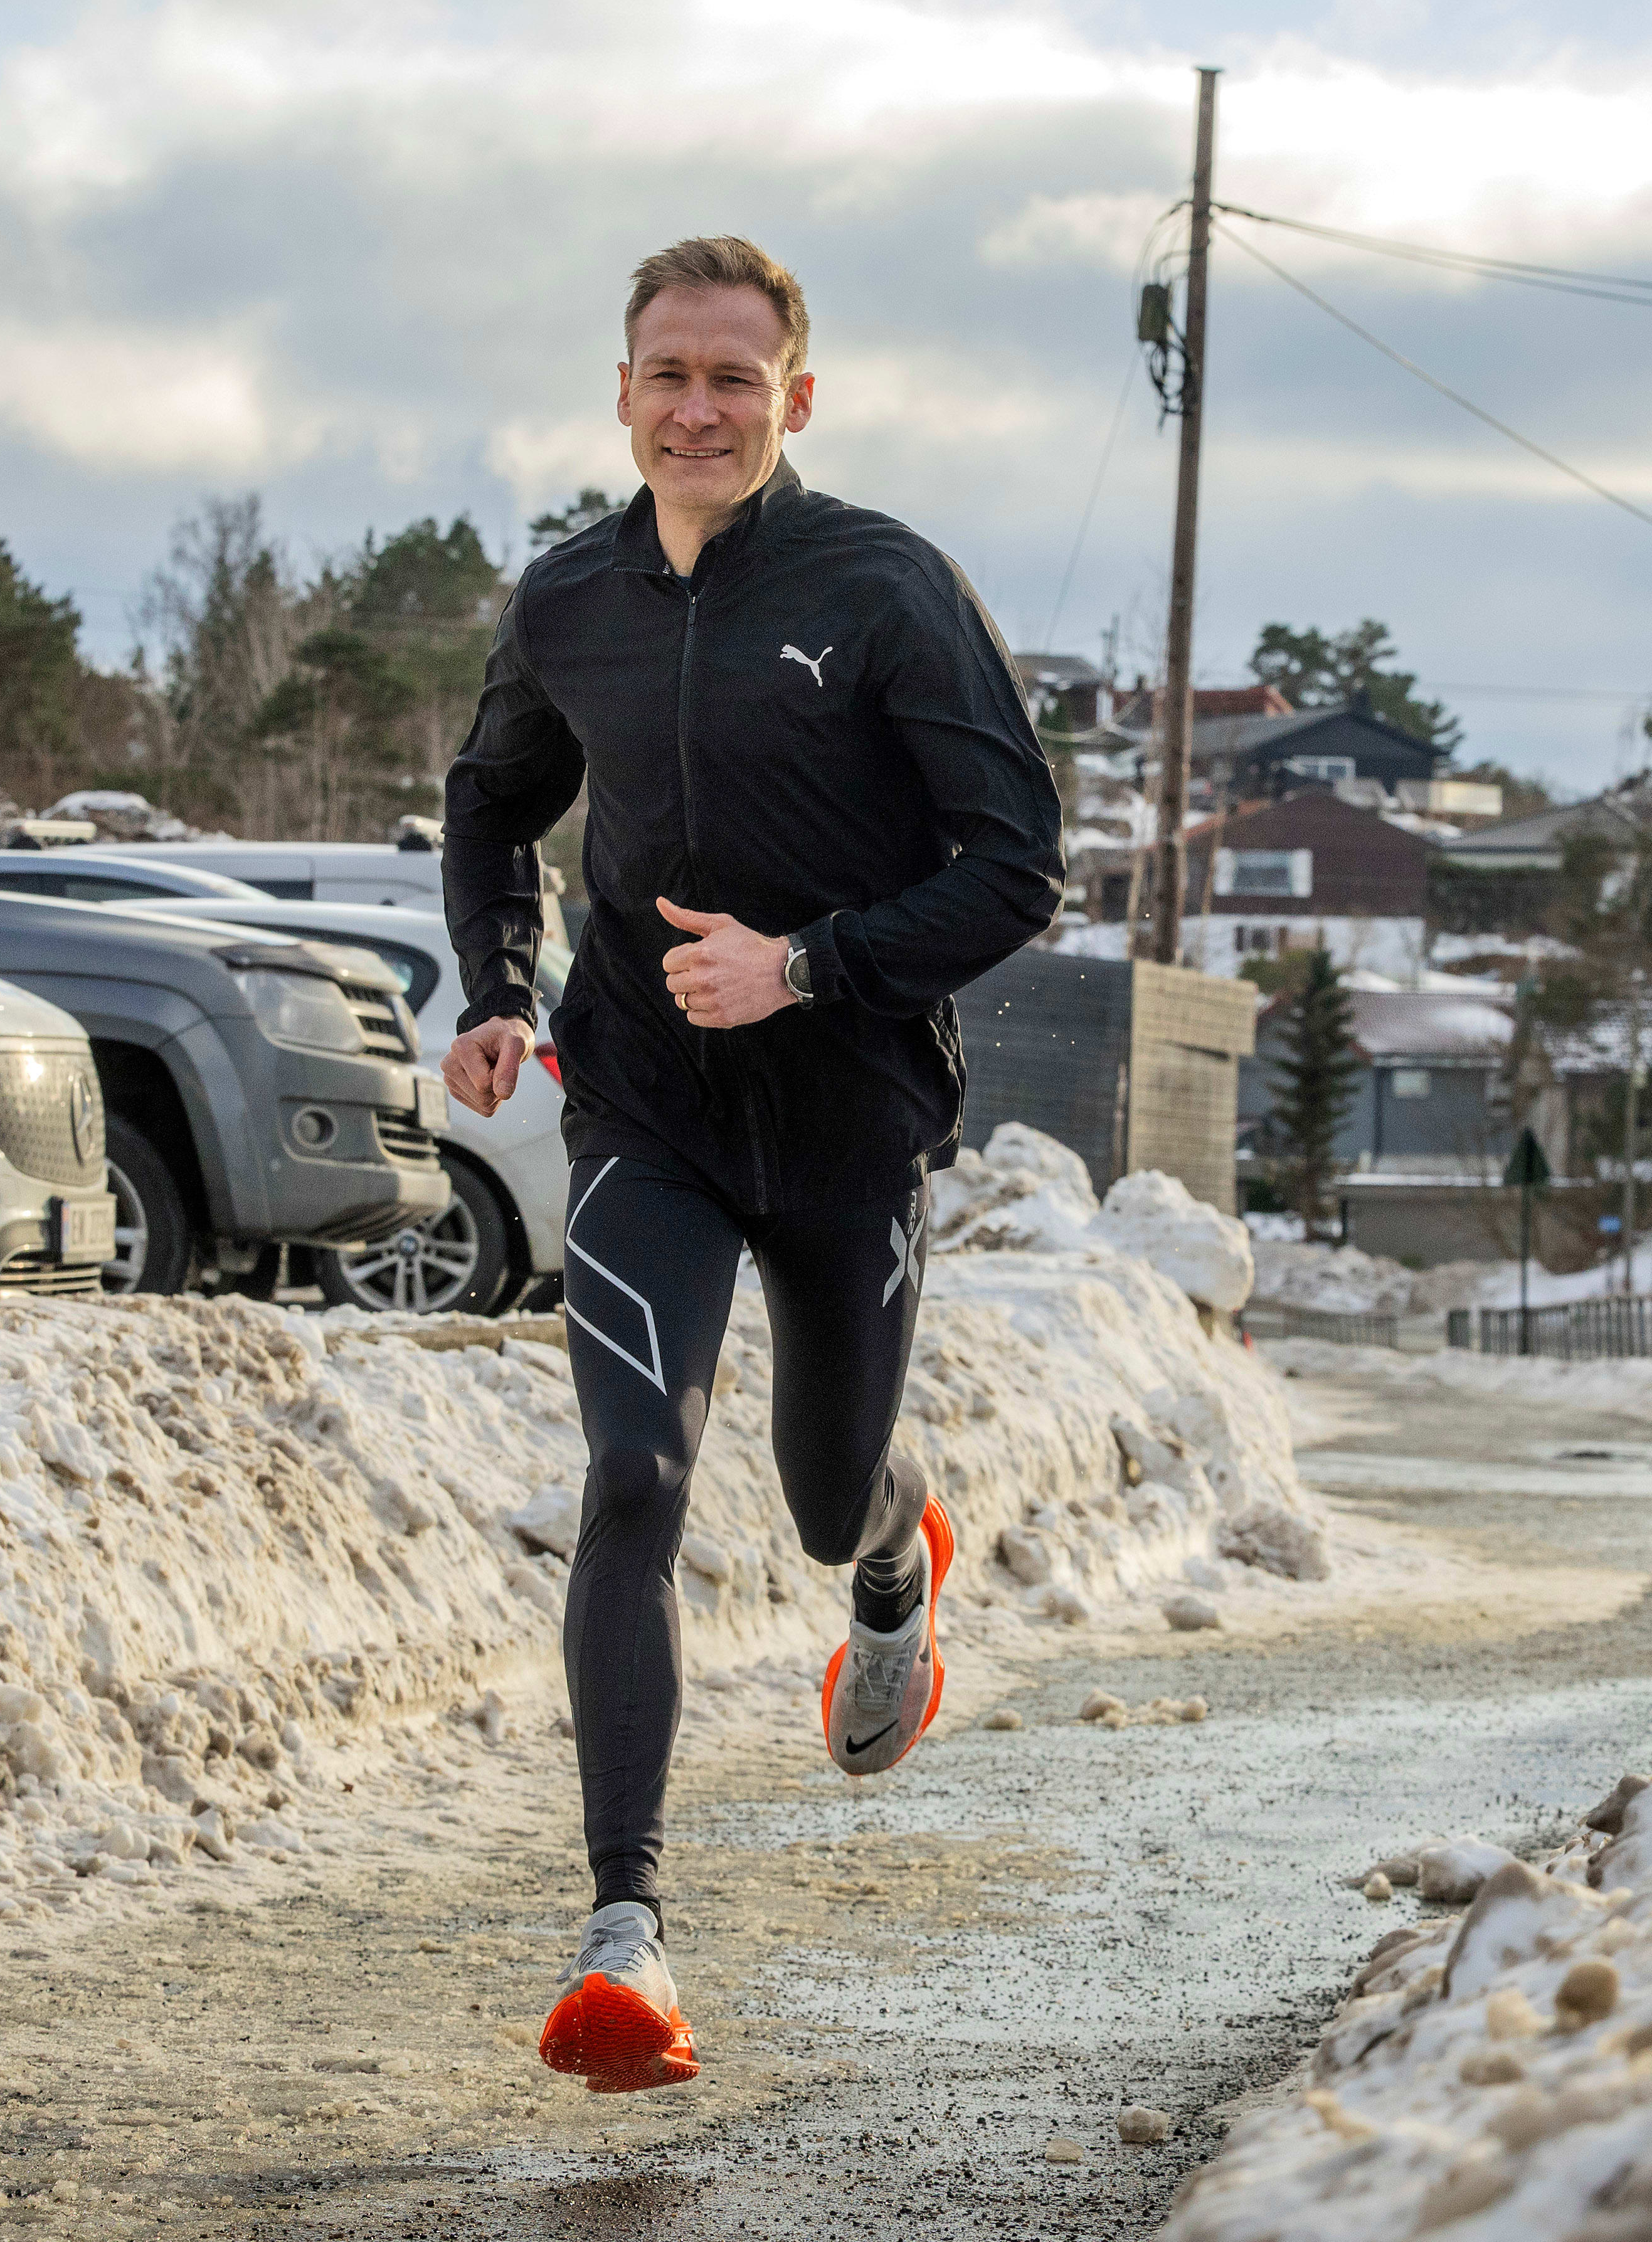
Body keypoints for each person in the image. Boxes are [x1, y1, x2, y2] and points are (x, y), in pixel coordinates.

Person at [440, 236, 1066, 2094]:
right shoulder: (569, 599)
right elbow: (493, 798)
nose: (696, 407)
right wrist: (492, 985)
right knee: (632, 1474)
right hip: (646, 1105)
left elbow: (1013, 864)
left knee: (816, 1495)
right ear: (620, 397)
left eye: (734, 377)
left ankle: (895, 1560)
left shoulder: (882, 587)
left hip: (849, 1114)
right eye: (664, 376)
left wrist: (804, 966)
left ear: (796, 395)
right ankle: (621, 1932)